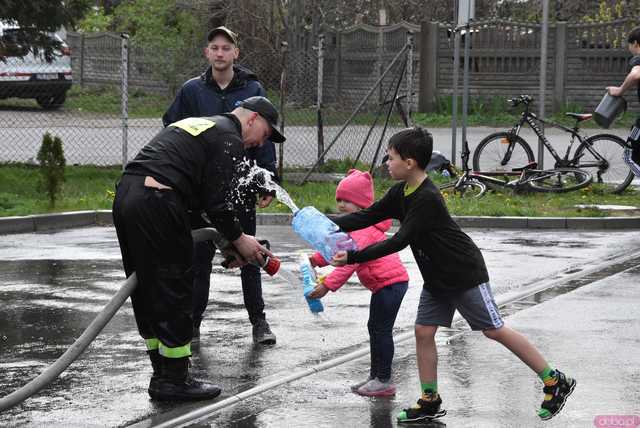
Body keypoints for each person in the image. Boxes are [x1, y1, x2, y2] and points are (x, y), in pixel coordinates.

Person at [330, 127, 575, 423]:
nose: (386, 162)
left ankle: (553, 380)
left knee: (493, 329)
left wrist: (352, 257)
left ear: (409, 163)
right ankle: (429, 400)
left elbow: (398, 241)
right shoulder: (400, 192)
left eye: (391, 157)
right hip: (436, 278)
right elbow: (367, 216)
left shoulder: (426, 198)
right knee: (423, 332)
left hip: (462, 273)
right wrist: (326, 222)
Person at [112, 96, 286, 401]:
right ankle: (175, 380)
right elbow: (217, 204)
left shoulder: (204, 126)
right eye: (266, 134)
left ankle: (162, 374)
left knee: (149, 290)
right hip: (158, 201)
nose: (261, 143)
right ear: (253, 119)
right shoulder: (229, 137)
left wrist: (228, 244)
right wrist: (240, 238)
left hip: (130, 196)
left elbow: (198, 204)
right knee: (175, 288)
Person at [163, 26, 279, 345]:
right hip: (201, 190)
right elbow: (173, 128)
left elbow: (265, 138)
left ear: (235, 53)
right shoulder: (192, 91)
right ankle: (193, 323)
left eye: (226, 48)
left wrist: (266, 180)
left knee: (249, 251)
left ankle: (259, 322)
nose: (219, 53)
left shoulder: (252, 88)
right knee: (199, 258)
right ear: (206, 53)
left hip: (239, 186)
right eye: (214, 47)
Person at [307, 169, 409, 397]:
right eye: (339, 200)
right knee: (376, 329)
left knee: (380, 330)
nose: (342, 205)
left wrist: (326, 286)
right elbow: (338, 250)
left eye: (348, 201)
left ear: (362, 205)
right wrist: (315, 260)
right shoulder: (356, 228)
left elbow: (349, 262)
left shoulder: (363, 230)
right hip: (385, 285)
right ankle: (376, 377)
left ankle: (384, 380)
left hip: (391, 284)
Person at [607, 26, 640, 176]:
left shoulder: (638, 58)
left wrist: (620, 90)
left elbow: (635, 75)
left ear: (635, 43)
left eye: (629, 45)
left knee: (629, 155)